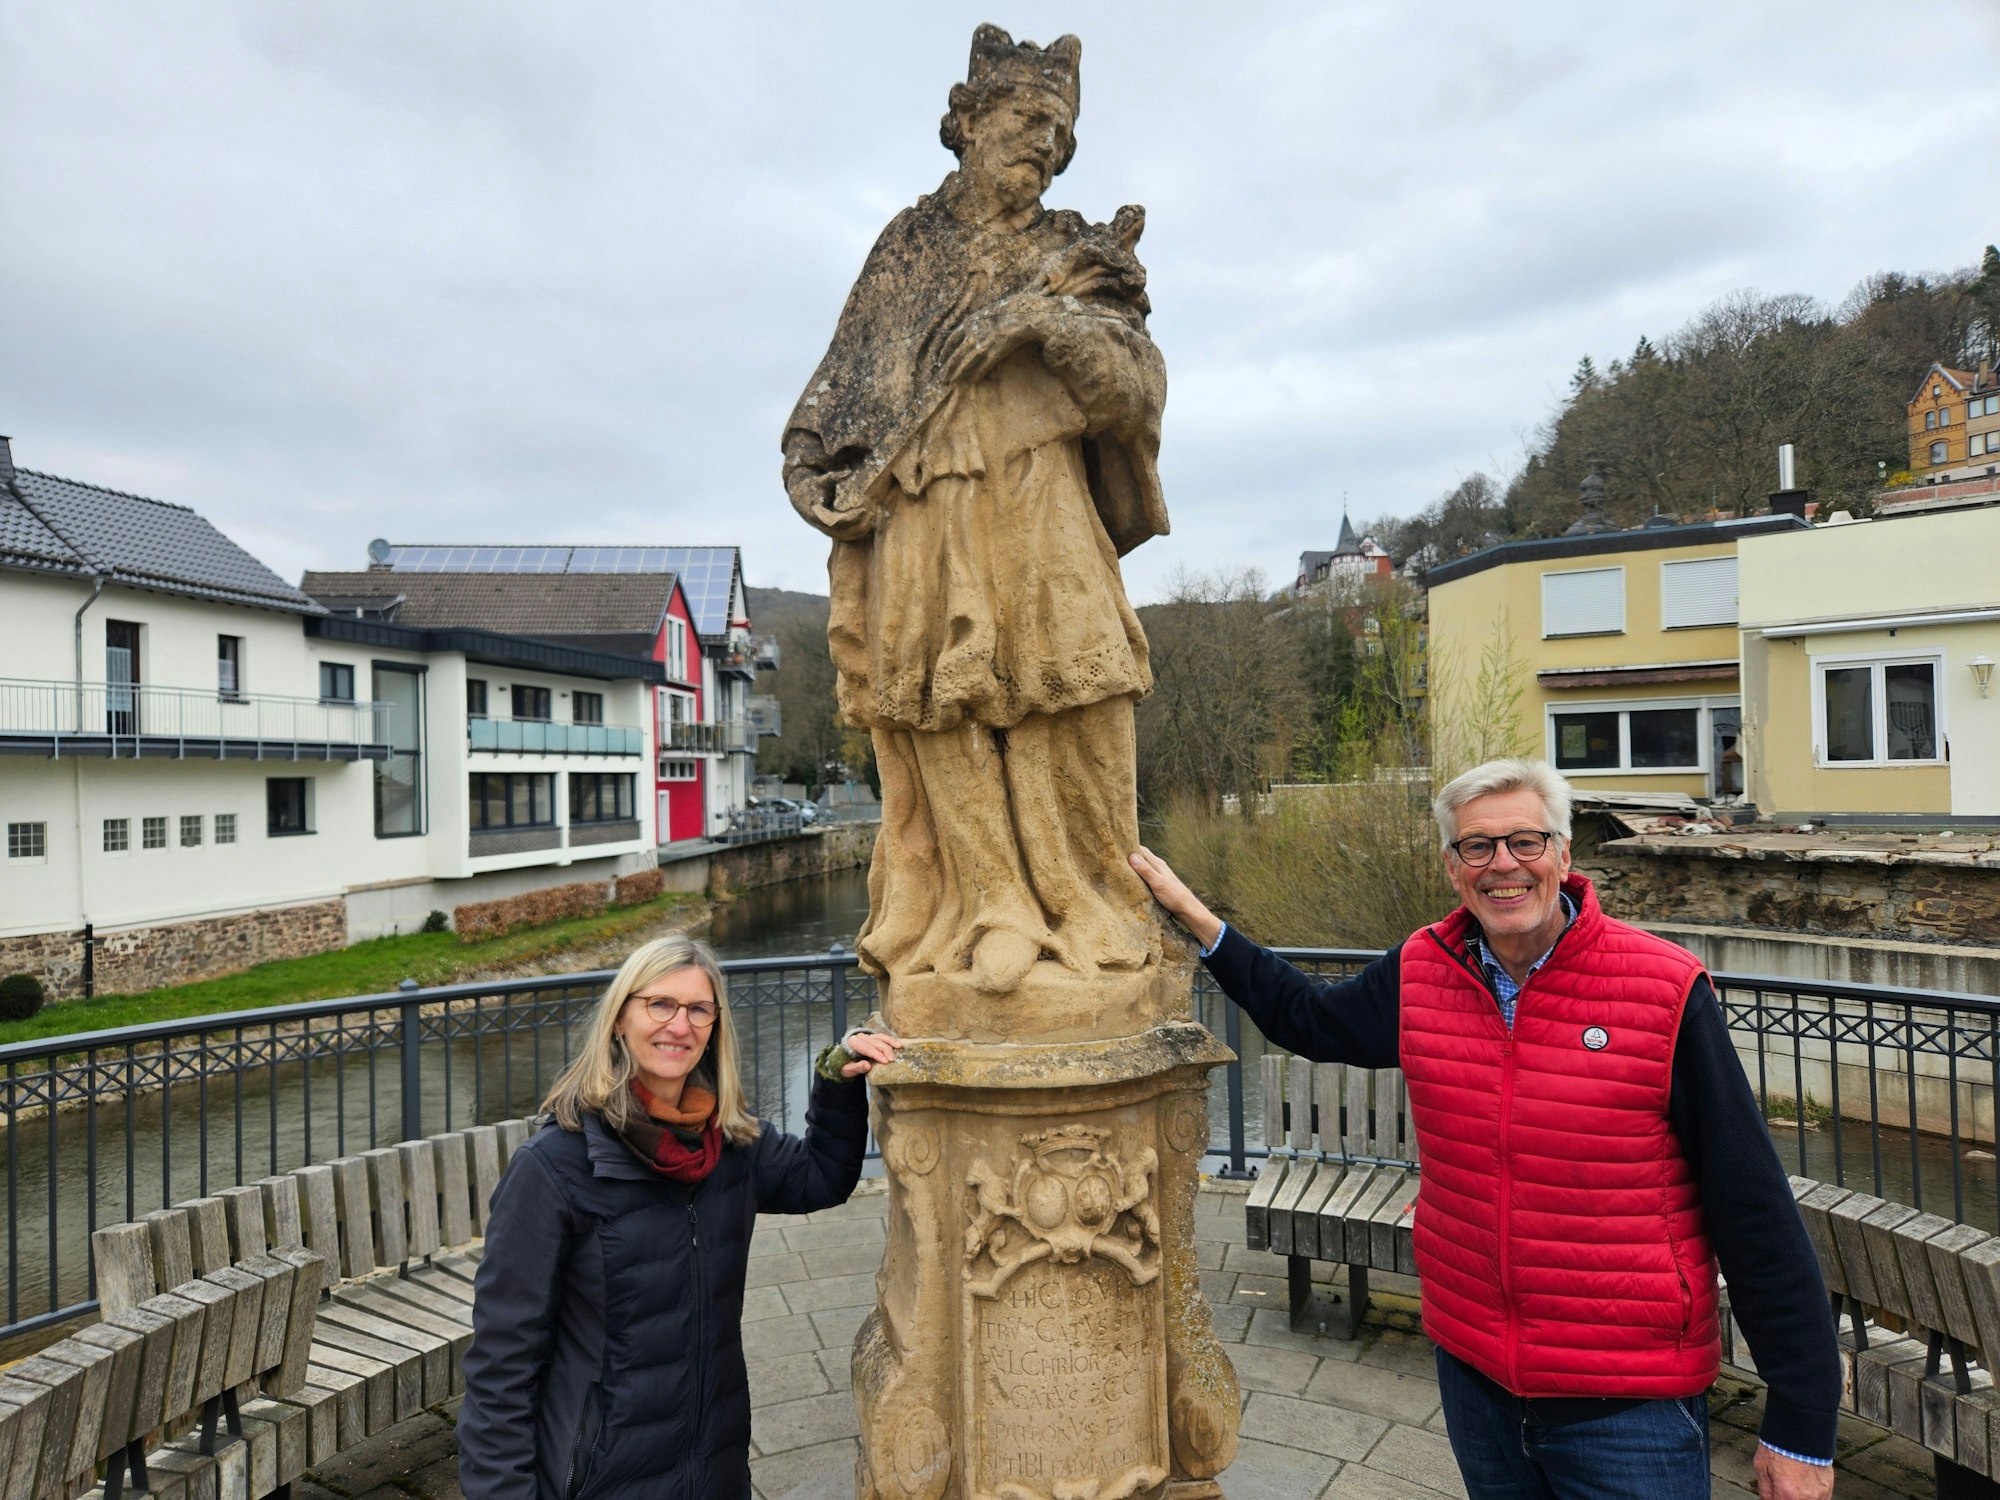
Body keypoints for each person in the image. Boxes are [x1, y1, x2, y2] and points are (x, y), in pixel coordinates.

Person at [1128, 758, 1840, 1500]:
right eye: (1478, 847)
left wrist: (1800, 1423)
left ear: (1564, 855)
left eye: (1526, 842)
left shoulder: (1663, 991)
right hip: (1479, 1385)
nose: (1504, 865)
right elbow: (1309, 1019)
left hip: (1630, 1404)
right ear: (1452, 867)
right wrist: (1202, 922)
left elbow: (1752, 1208)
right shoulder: (1423, 971)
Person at [783, 25, 1166, 997]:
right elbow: (841, 394)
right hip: (928, 499)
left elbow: (1136, 390)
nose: (1043, 140)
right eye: (1025, 117)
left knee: (1075, 683)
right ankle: (992, 899)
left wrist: (1045, 322)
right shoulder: (908, 248)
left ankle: (1088, 894)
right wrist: (817, 465)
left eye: (1058, 127)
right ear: (966, 122)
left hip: (1042, 498)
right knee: (942, 702)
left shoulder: (1070, 251)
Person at [457, 935, 901, 1500]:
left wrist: (839, 1074)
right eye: (660, 1004)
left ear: (715, 1027)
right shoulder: (554, 1168)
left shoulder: (729, 1144)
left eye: (698, 1010)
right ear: (621, 1018)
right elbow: (501, 1369)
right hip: (600, 1478)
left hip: (711, 1467)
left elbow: (822, 1177)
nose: (679, 1025)